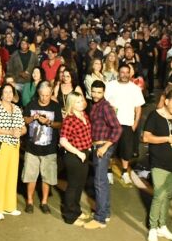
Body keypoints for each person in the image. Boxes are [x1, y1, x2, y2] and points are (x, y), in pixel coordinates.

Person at [142, 89, 172, 241]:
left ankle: (162, 225)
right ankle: (153, 227)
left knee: (167, 195)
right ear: (166, 101)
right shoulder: (155, 116)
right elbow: (146, 138)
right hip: (159, 162)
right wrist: (167, 139)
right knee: (158, 195)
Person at [0, 83, 27, 220]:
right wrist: (9, 132)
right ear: (1, 94)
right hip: (0, 145)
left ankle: (9, 206)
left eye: (11, 92)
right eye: (6, 92)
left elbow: (23, 128)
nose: (8, 94)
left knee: (11, 176)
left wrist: (20, 132)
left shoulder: (16, 109)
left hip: (14, 147)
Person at [85, 80, 122, 229]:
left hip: (102, 146)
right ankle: (105, 213)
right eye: (94, 91)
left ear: (103, 92)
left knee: (99, 182)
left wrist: (105, 146)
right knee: (103, 182)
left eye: (99, 92)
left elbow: (118, 129)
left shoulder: (105, 107)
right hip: (97, 145)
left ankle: (99, 218)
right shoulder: (95, 105)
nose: (95, 94)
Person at [22, 80, 62, 215]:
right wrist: (33, 118)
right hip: (32, 147)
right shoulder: (31, 105)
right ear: (38, 93)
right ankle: (29, 201)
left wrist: (49, 122)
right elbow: (24, 120)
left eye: (47, 95)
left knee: (47, 177)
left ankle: (44, 202)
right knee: (30, 176)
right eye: (42, 95)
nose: (45, 98)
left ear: (51, 93)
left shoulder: (55, 106)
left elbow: (60, 124)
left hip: (49, 148)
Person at [105, 64, 145, 186]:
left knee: (126, 151)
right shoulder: (110, 86)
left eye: (127, 72)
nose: (124, 74)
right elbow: (104, 104)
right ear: (118, 73)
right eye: (122, 72)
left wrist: (135, 124)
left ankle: (124, 172)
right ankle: (108, 172)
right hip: (112, 124)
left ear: (130, 74)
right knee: (110, 150)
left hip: (127, 124)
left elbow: (138, 108)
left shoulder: (135, 89)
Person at [59, 90, 92, 226]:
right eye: (78, 102)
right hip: (74, 156)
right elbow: (63, 141)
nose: (82, 103)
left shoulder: (84, 115)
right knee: (73, 186)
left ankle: (76, 211)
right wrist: (78, 153)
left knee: (79, 185)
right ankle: (70, 216)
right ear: (71, 104)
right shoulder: (69, 119)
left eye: (82, 100)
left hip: (84, 153)